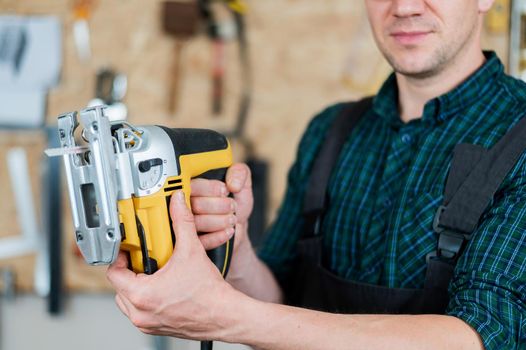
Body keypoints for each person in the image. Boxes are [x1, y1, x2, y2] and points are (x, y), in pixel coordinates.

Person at [106, 0, 526, 349]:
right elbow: (280, 300)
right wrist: (232, 247)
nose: (404, 7)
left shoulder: (519, 137)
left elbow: (479, 335)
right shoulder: (331, 131)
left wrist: (223, 316)